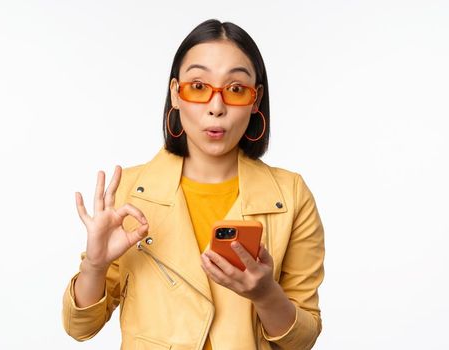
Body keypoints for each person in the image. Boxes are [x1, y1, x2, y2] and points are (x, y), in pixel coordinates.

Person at [61, 19, 325, 350]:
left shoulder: (290, 195)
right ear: (176, 94)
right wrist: (95, 265)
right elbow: (80, 327)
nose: (216, 108)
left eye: (236, 89)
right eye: (198, 87)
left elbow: (302, 340)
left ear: (255, 100)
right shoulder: (128, 190)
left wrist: (265, 293)